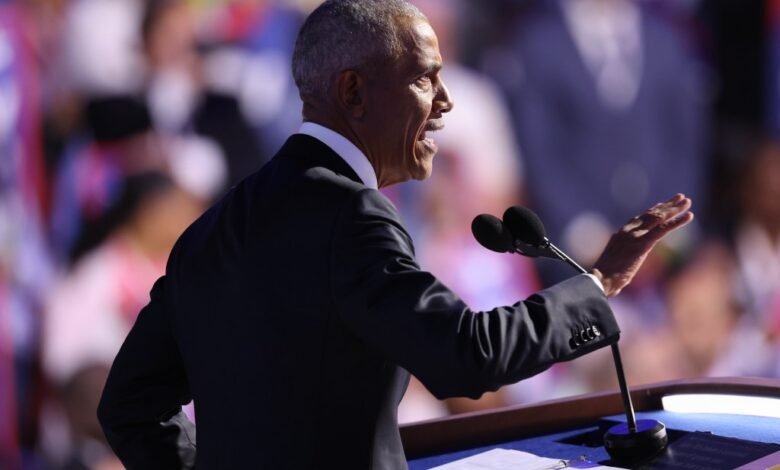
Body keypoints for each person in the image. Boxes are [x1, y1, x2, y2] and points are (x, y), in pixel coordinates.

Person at [97, 1, 693, 469]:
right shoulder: (350, 216)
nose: (446, 101)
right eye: (424, 79)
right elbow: (467, 354)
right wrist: (597, 283)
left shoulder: (217, 225)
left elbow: (129, 404)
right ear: (353, 92)